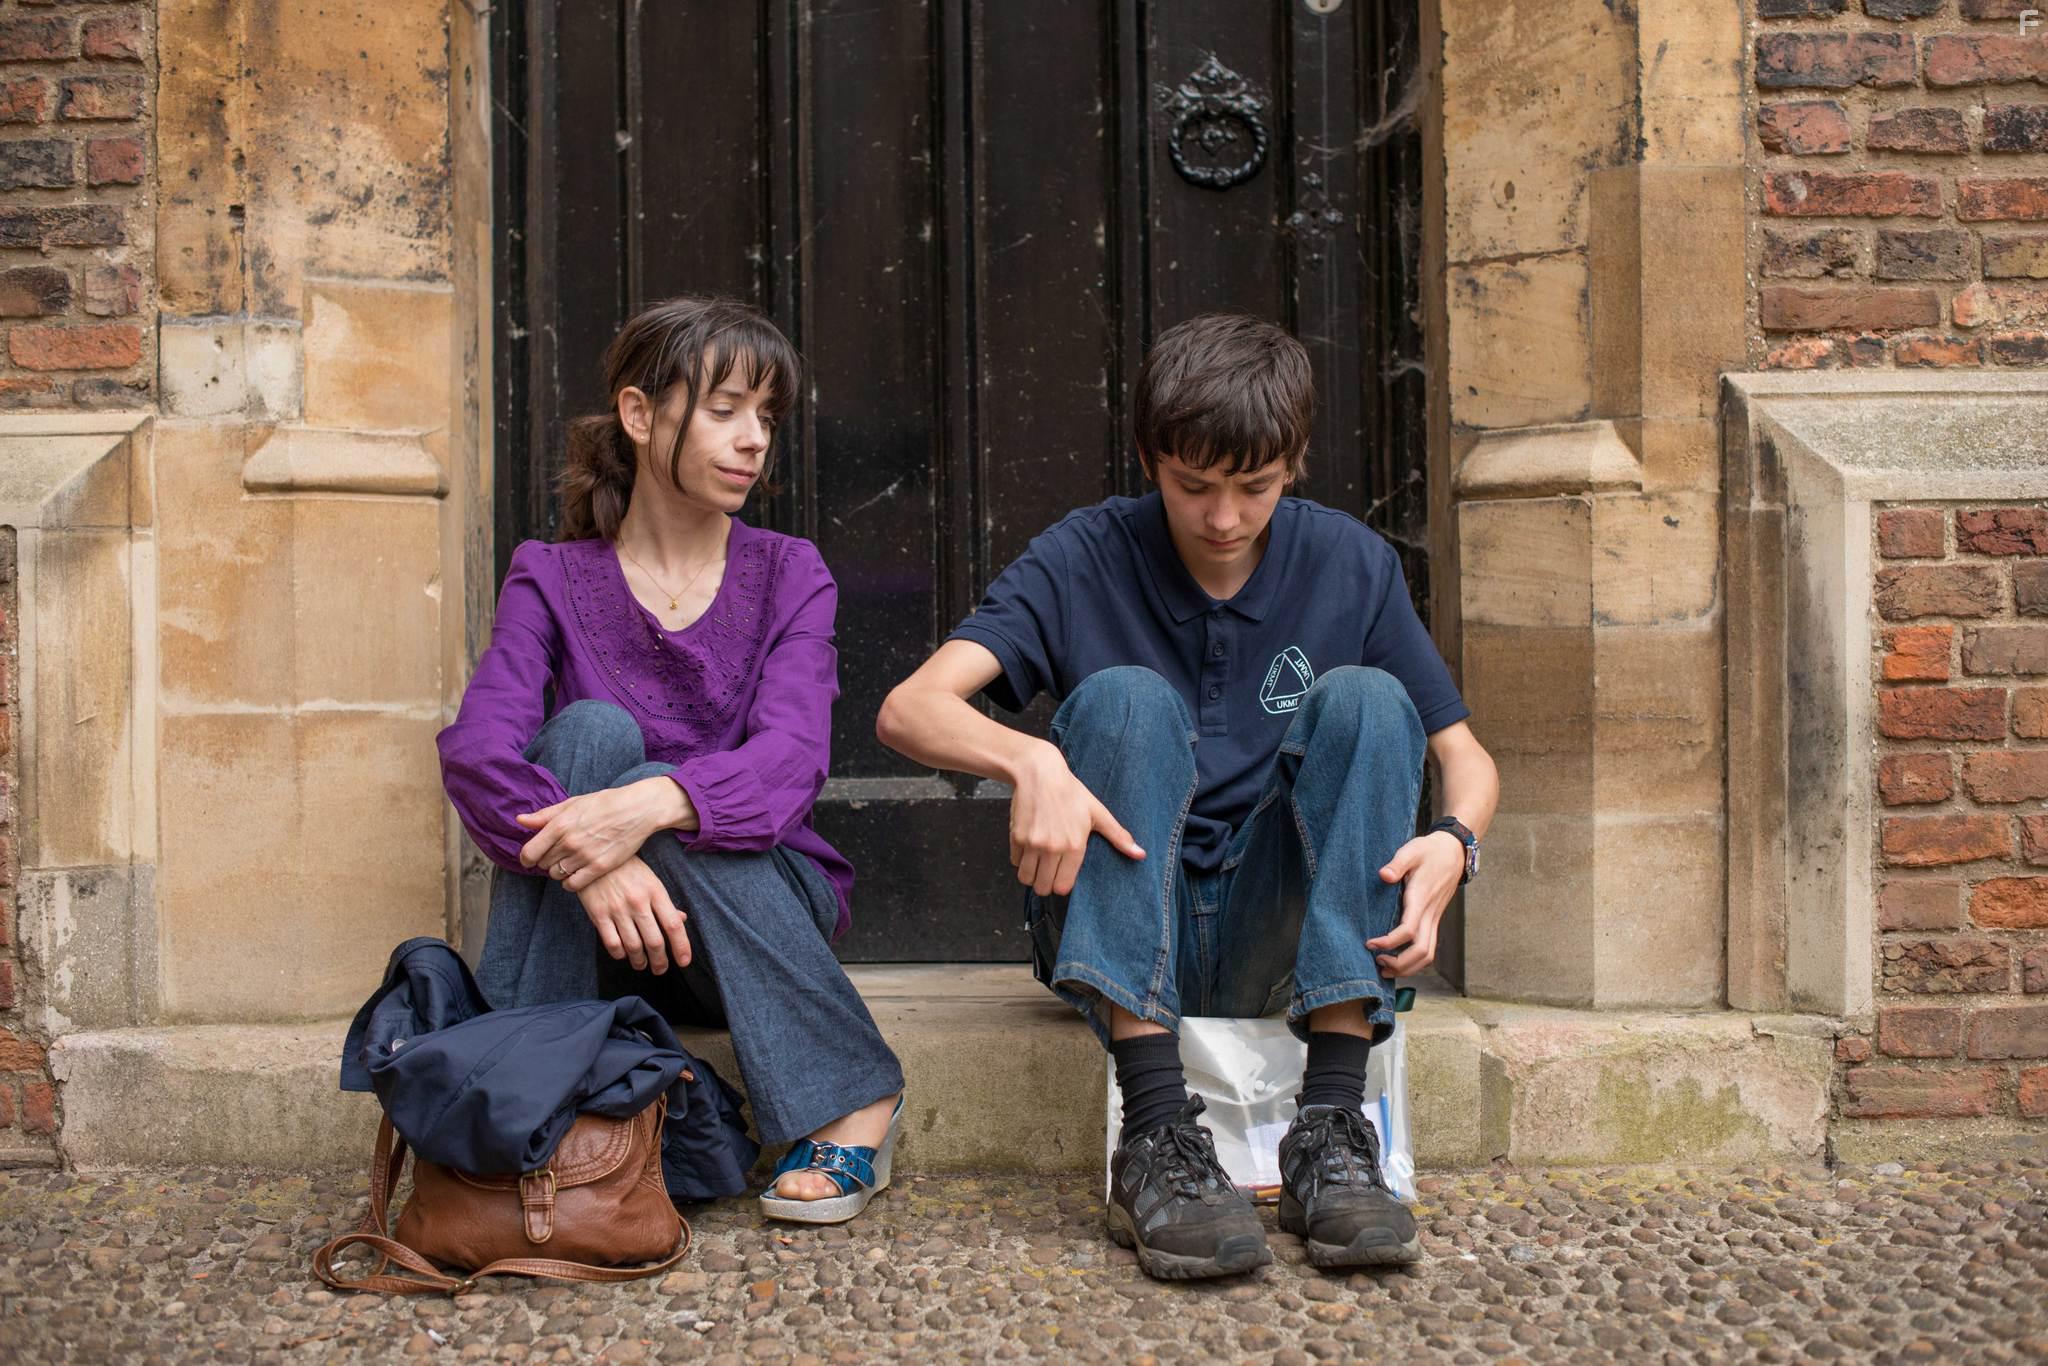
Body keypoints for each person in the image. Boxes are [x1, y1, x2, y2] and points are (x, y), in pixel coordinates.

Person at [876, 314, 1499, 1279]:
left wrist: (1455, 841)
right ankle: (1157, 1134)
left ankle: (1332, 1130)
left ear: (1293, 463)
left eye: (1256, 487)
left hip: (1278, 933)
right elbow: (909, 709)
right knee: (1123, 700)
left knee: (1374, 702)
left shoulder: (1349, 562)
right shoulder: (1084, 555)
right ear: (1148, 459)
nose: (1223, 518)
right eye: (1193, 486)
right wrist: (1032, 763)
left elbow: (1467, 759)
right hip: (1121, 914)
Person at [437, 297, 904, 1225]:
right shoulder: (549, 574)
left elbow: (790, 761)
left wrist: (647, 809)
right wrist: (598, 858)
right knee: (588, 734)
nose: (754, 439)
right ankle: (530, 1098)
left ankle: (852, 1097)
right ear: (640, 414)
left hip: (754, 913)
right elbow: (477, 752)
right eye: (725, 409)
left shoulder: (790, 571)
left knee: (662, 795)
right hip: (598, 933)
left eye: (765, 415)